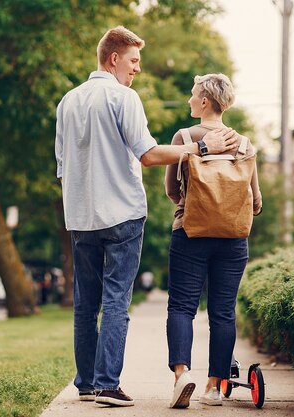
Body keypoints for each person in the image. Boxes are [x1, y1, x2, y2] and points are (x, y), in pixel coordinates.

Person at [55, 27, 238, 408]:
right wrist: (200, 146)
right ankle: (107, 384)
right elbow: (149, 155)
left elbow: (62, 166)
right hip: (121, 214)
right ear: (114, 58)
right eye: (134, 60)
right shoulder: (124, 97)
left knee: (85, 303)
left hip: (80, 217)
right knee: (117, 300)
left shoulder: (67, 102)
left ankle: (86, 383)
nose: (137, 68)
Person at [164, 73, 262, 408]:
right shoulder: (245, 144)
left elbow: (172, 191)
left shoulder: (184, 136)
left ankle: (181, 376)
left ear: (205, 101)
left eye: (193, 95)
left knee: (181, 306)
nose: (190, 100)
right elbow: (256, 200)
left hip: (190, 233)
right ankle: (214, 387)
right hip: (233, 239)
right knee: (223, 313)